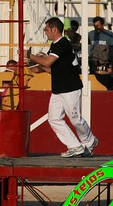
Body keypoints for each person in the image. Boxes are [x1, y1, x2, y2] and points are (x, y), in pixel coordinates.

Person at [26, 17, 98, 158]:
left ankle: (89, 141)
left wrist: (30, 56)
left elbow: (47, 62)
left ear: (54, 29)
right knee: (54, 119)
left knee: (75, 119)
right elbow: (51, 67)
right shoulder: (56, 45)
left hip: (70, 88)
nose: (45, 32)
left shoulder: (62, 43)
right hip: (59, 89)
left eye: (46, 29)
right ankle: (75, 146)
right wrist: (35, 66)